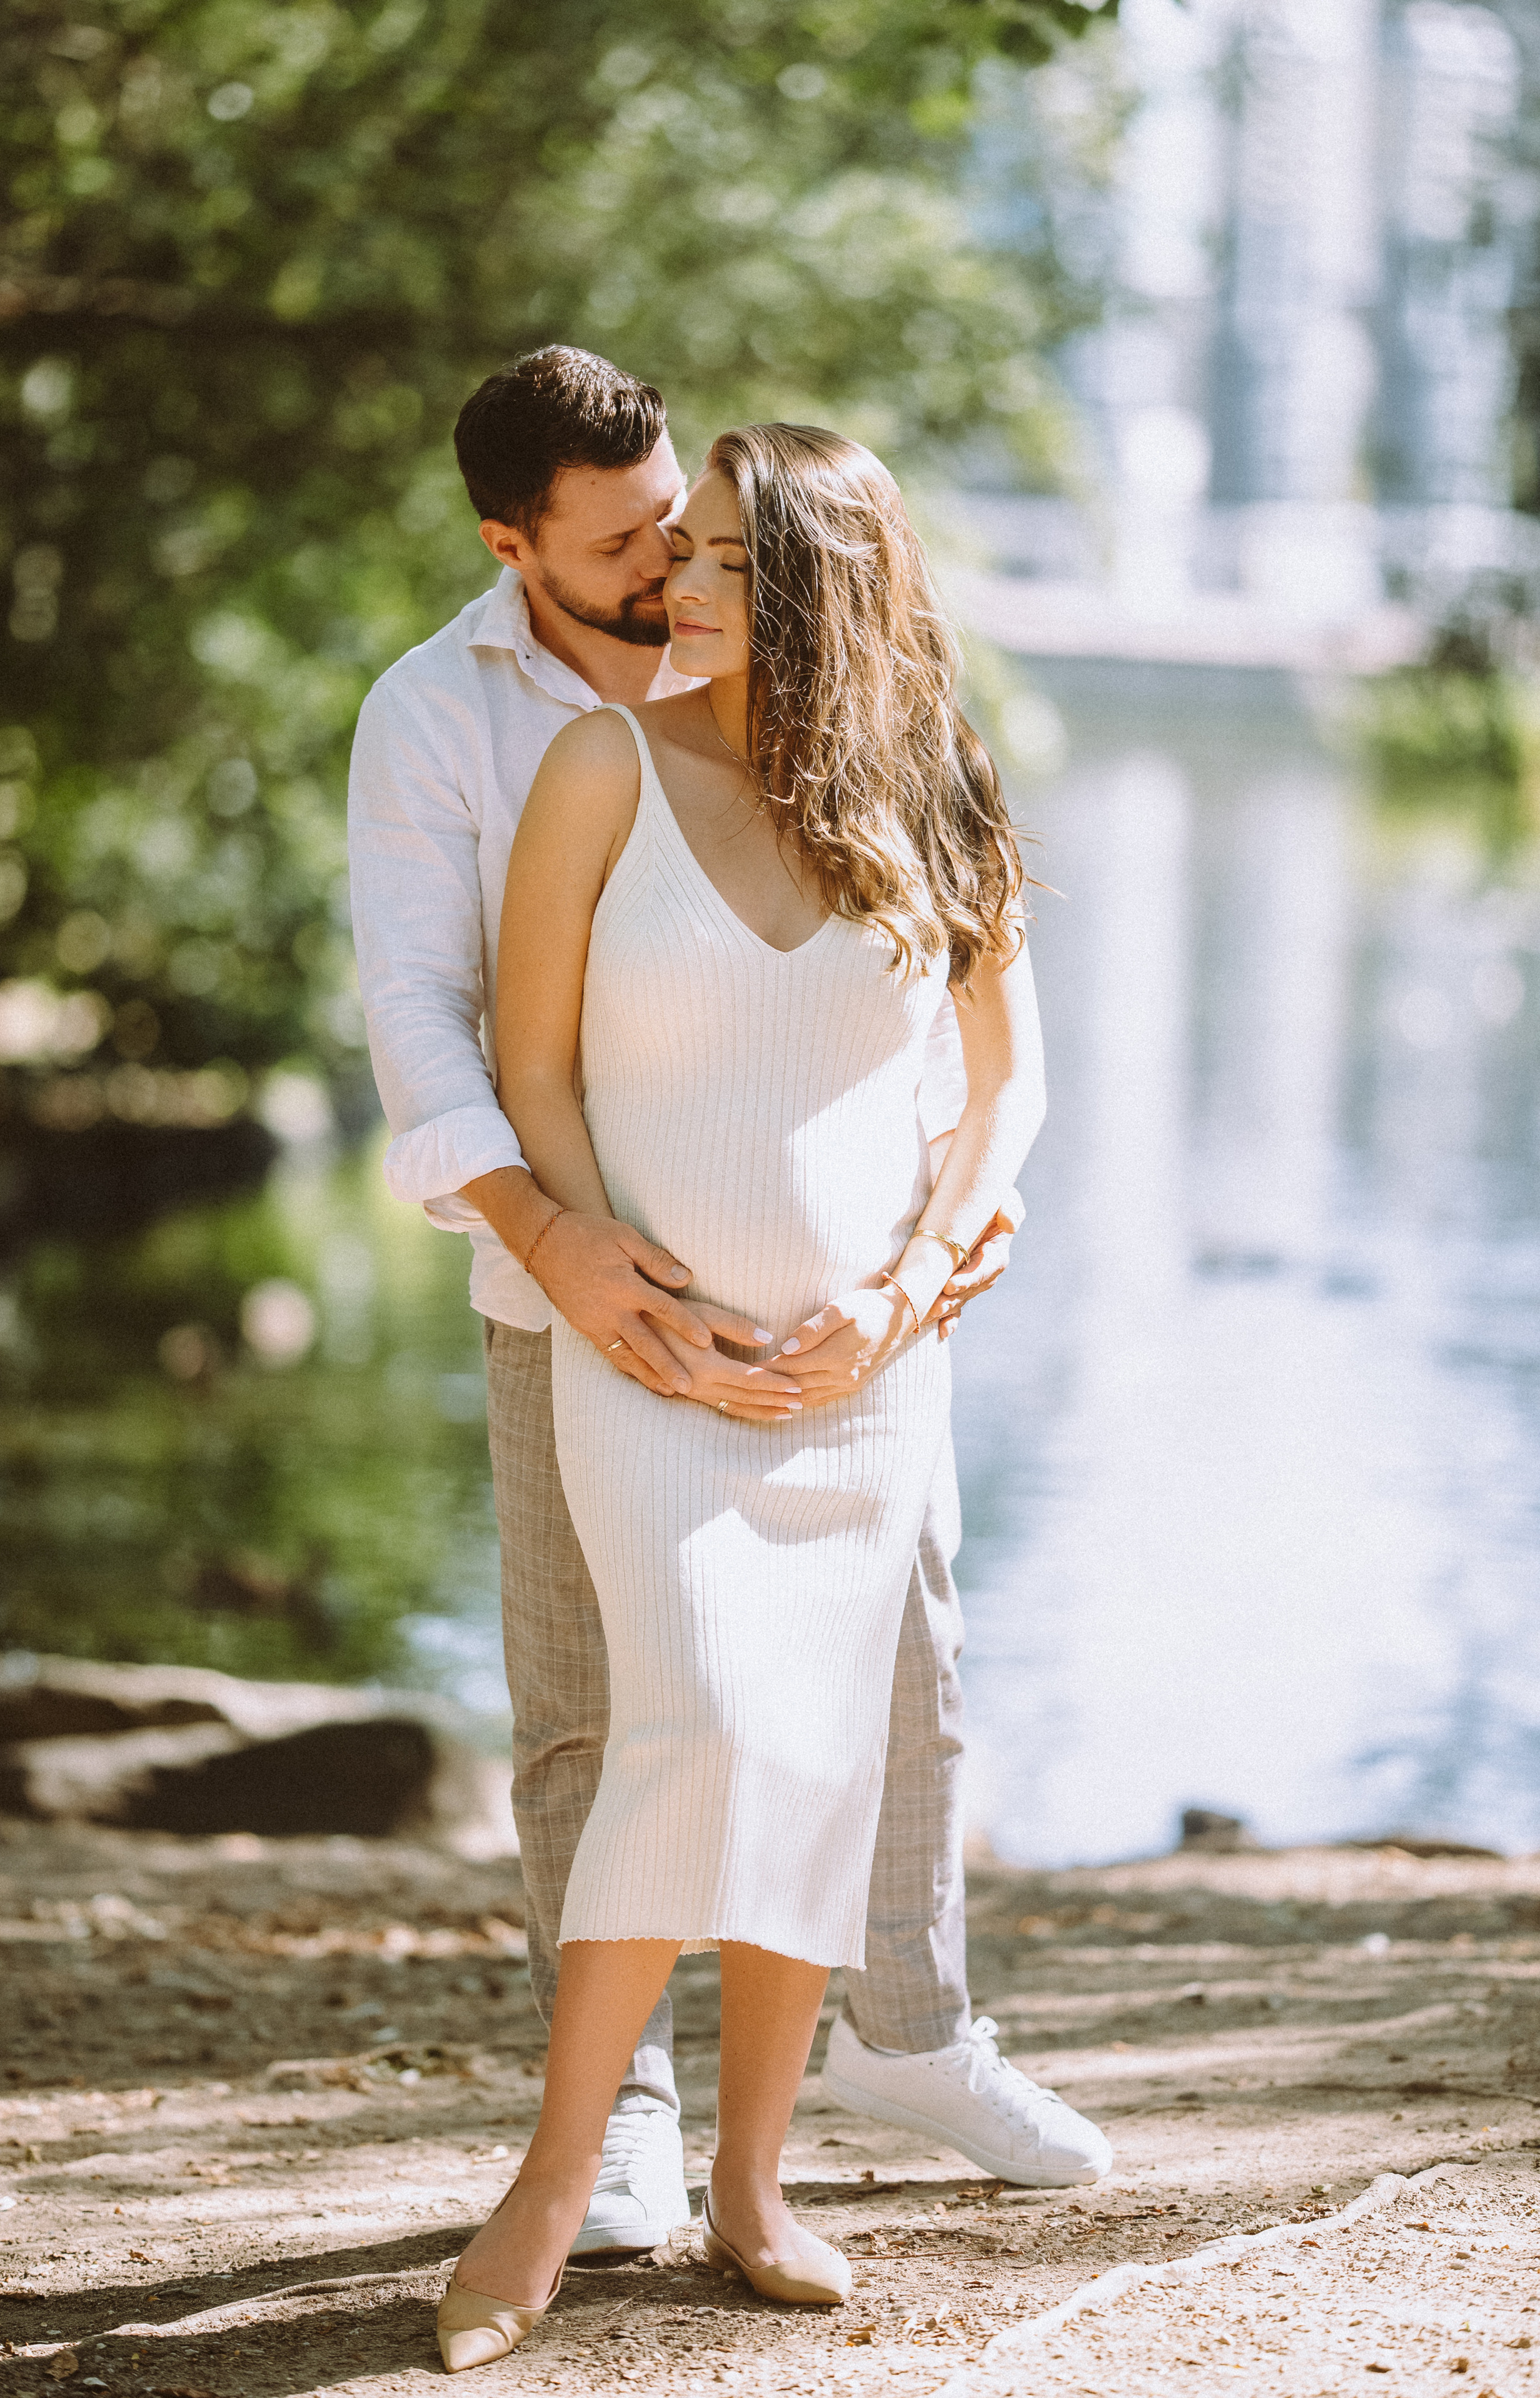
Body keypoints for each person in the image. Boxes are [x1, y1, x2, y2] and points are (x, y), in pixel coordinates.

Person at [346, 351, 1110, 2297]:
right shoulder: (480, 727)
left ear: (804, 577)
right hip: (603, 1316)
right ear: (512, 541)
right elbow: (459, 1030)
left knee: (856, 1716)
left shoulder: (920, 766)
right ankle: (589, 2150)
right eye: (636, 547)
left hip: (861, 1355)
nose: (663, 575)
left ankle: (818, 2125)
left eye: (691, 540)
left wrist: (925, 1269)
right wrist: (564, 1242)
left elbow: (996, 1065)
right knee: (635, 1712)